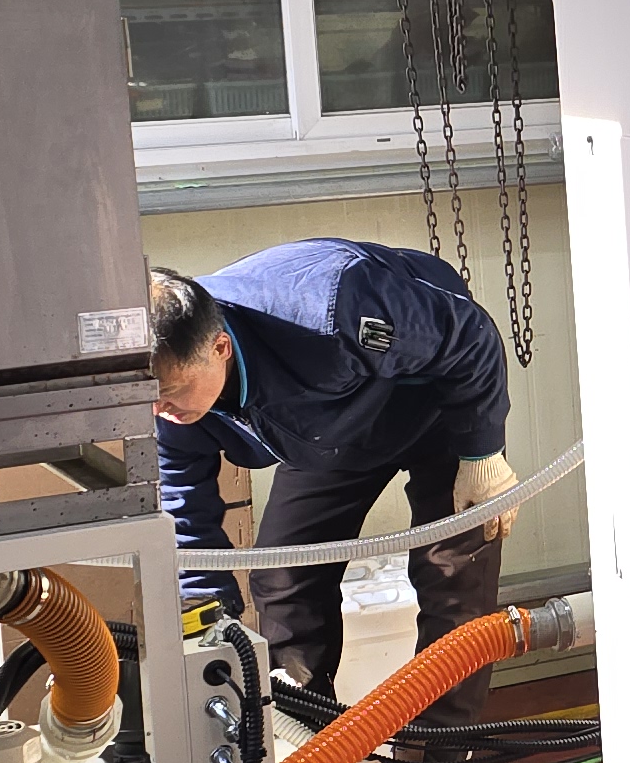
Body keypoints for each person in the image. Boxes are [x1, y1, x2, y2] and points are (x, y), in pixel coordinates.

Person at [147, 240, 521, 722]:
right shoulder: (164, 403)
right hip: (326, 431)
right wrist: (206, 611)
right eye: (150, 399)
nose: (161, 411)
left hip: (437, 412)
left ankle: (441, 749)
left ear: (220, 348)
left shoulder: (331, 310)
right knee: (284, 575)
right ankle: (307, 732)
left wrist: (483, 452)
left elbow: (469, 335)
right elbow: (184, 510)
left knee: (452, 575)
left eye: (172, 393)